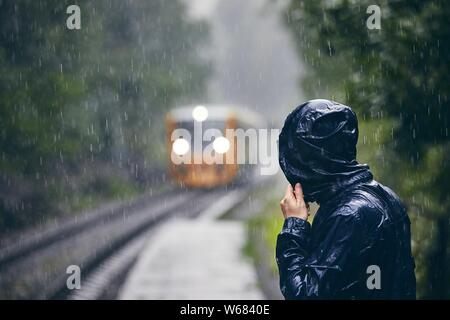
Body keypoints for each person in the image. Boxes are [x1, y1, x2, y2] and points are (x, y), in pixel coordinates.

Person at [276, 99, 416, 299]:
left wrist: (294, 226)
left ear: (311, 160)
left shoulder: (348, 215)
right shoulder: (385, 196)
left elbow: (305, 294)